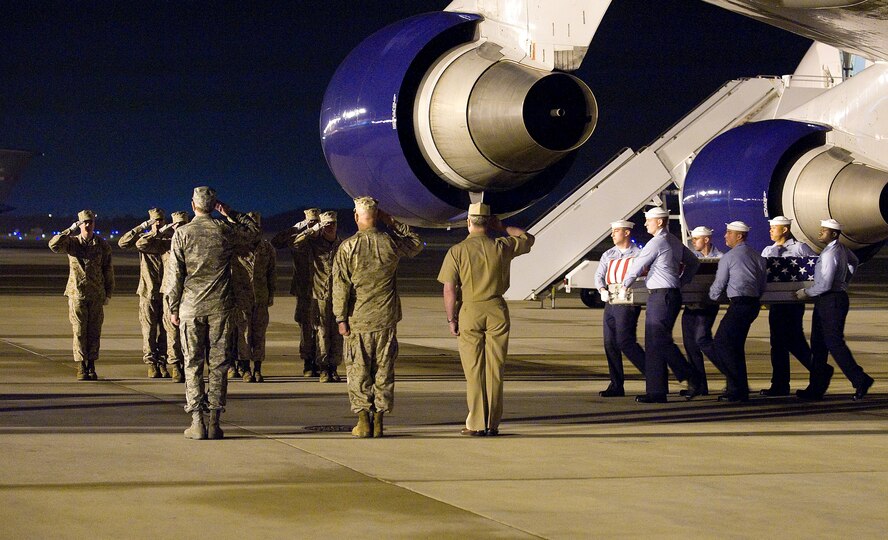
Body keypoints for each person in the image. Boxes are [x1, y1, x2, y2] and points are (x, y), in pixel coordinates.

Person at [168, 187, 259, 440]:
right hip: (220, 307)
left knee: (193, 364)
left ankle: (197, 421)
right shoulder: (225, 230)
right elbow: (253, 234)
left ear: (193, 205)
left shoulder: (182, 233)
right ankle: (214, 422)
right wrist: (232, 214)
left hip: (191, 308)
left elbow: (175, 276)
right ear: (214, 205)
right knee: (218, 365)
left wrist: (173, 308)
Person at [438, 203, 534, 436]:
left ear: (468, 222)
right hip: (496, 309)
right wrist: (502, 227)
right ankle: (492, 422)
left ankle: (476, 422)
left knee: (473, 369)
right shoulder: (502, 245)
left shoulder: (457, 251)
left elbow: (449, 289)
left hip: (470, 309)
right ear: (488, 222)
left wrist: (451, 319)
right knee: (495, 368)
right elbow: (527, 238)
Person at [333, 197, 422, 438]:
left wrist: (340, 318)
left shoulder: (347, 247)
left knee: (358, 371)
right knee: (383, 370)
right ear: (377, 215)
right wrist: (392, 222)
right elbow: (415, 244)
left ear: (356, 217)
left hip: (358, 320)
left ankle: (363, 421)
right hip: (385, 319)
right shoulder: (390, 242)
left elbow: (340, 286)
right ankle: (379, 420)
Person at [620, 206, 702, 403]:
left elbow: (637, 266)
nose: (646, 223)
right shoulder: (673, 241)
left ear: (659, 222)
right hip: (669, 295)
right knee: (655, 344)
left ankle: (691, 376)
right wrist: (681, 281)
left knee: (659, 340)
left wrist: (624, 286)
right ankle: (656, 392)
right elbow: (693, 263)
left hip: (661, 296)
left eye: (648, 220)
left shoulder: (656, 242)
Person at [795, 219, 874, 401]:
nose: (821, 232)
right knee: (818, 345)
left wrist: (805, 293)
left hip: (831, 299)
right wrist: (846, 280)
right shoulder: (840, 249)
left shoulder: (831, 254)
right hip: (830, 299)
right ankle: (815, 388)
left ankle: (860, 379)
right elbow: (854, 261)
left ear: (834, 234)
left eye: (825, 230)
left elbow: (825, 284)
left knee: (833, 343)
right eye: (822, 229)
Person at [48, 210, 115, 380]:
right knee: (79, 331)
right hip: (77, 293)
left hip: (96, 294)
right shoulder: (72, 243)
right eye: (84, 222)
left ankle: (91, 365)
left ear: (94, 223)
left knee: (94, 332)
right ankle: (81, 366)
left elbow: (108, 269)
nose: (88, 225)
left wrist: (109, 292)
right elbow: (54, 245)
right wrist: (69, 230)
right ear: (79, 224)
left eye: (90, 221)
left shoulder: (102, 244)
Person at [707, 221, 767, 402]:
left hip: (739, 304)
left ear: (739, 236)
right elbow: (762, 285)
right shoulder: (757, 257)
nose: (725, 236)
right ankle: (738, 387)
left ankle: (737, 387)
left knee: (721, 343)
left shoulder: (729, 257)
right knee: (735, 346)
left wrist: (712, 297)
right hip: (753, 304)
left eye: (729, 233)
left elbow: (719, 284)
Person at [759, 216, 816, 396]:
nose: (770, 231)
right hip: (776, 303)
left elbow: (813, 269)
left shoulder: (800, 248)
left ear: (784, 230)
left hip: (793, 302)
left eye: (773, 228)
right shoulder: (768, 250)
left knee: (794, 341)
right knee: (777, 344)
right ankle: (780, 384)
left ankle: (819, 369)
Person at [137, 210, 190, 383]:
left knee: (181, 333)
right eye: (177, 225)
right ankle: (170, 364)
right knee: (163, 331)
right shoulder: (165, 244)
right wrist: (158, 230)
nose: (180, 229)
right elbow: (140, 244)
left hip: (186, 293)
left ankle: (173, 363)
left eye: (183, 225)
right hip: (164, 292)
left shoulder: (191, 243)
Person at [594, 220, 645, 397]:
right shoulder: (609, 254)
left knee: (625, 341)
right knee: (610, 343)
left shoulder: (639, 254)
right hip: (611, 301)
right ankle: (616, 384)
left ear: (627, 233)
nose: (612, 234)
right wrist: (601, 289)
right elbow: (599, 275)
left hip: (628, 302)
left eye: (616, 231)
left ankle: (653, 374)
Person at [293, 210, 343, 383]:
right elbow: (297, 244)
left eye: (332, 224)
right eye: (326, 224)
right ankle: (322, 368)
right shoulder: (314, 244)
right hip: (319, 294)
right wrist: (311, 230)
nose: (329, 228)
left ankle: (334, 367)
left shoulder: (342, 246)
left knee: (336, 334)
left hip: (338, 295)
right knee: (321, 331)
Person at [119, 208, 170, 378]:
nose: (158, 223)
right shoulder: (144, 240)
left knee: (165, 331)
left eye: (160, 220)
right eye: (155, 220)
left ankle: (162, 362)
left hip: (166, 292)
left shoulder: (169, 239)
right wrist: (144, 228)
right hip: (148, 291)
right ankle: (151, 363)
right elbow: (124, 243)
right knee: (149, 331)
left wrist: (165, 231)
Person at [272, 208, 321, 377]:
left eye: (316, 222)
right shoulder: (300, 240)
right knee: (306, 328)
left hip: (322, 290)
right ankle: (308, 361)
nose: (315, 225)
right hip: (304, 290)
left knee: (323, 327)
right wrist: (301, 228)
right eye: (311, 221)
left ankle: (322, 361)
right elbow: (277, 242)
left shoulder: (323, 240)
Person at [680, 225, 723, 396]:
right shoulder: (691, 258)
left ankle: (731, 374)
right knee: (690, 345)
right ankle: (698, 385)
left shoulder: (720, 258)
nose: (693, 242)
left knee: (702, 340)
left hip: (707, 305)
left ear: (706, 239)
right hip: (691, 305)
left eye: (696, 239)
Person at [244, 212, 276, 383]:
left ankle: (257, 367)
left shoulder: (266, 248)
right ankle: (244, 368)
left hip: (261, 298)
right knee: (243, 336)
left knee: (259, 335)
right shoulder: (238, 246)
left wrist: (271, 294)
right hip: (242, 298)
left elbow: (271, 273)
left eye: (256, 224)